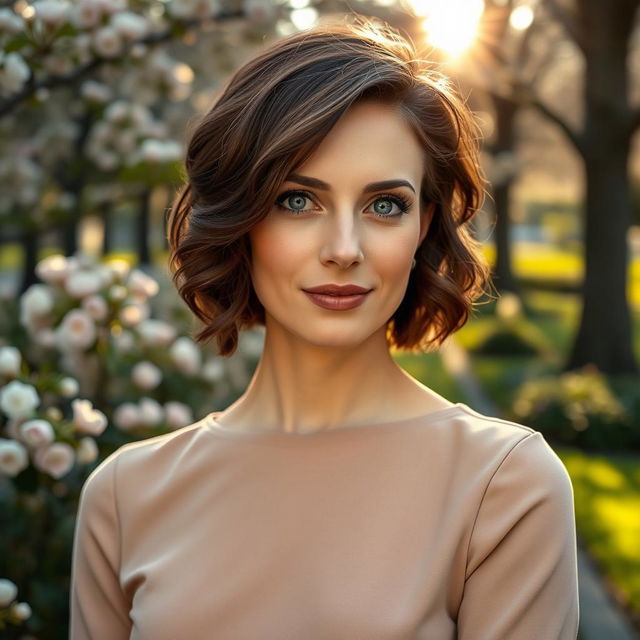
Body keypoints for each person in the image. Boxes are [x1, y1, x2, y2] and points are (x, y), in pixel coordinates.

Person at [69, 17, 580, 640]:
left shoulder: (503, 487)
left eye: (384, 205)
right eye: (297, 200)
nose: (343, 248)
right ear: (242, 218)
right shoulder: (125, 496)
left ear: (422, 227)